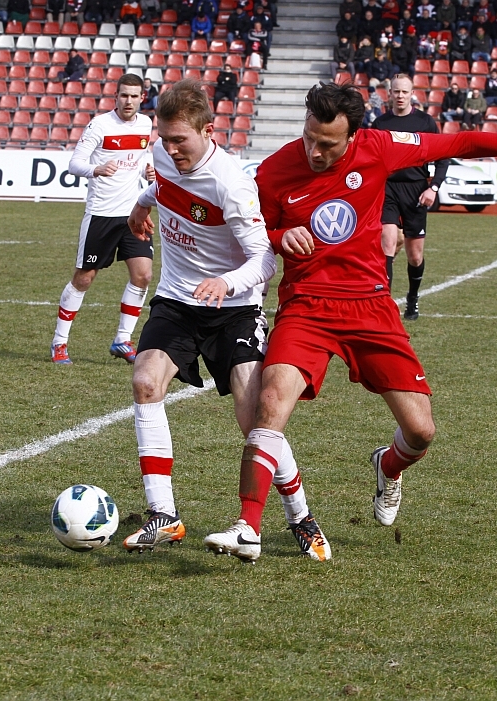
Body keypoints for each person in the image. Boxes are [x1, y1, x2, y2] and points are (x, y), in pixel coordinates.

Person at [200, 81, 497, 562]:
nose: (315, 151)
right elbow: (254, 235)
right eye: (309, 137)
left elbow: (459, 142)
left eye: (328, 144)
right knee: (271, 400)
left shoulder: (380, 146)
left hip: (370, 305)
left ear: (353, 136)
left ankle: (388, 465)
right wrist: (282, 236)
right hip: (307, 305)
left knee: (421, 432)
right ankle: (248, 527)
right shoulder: (276, 170)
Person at [120, 80, 331, 560]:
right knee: (146, 381)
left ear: (208, 131)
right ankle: (163, 515)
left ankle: (300, 516)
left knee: (254, 419)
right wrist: (141, 205)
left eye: (180, 141)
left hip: (233, 309)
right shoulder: (164, 155)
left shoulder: (231, 184)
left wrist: (226, 283)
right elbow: (162, 185)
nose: (171, 149)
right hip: (177, 300)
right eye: (164, 139)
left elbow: (264, 260)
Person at [51, 75, 155, 366]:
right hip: (101, 214)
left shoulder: (146, 124)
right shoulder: (100, 125)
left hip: (133, 213)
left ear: (142, 98)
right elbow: (74, 164)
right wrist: (96, 169)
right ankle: (59, 342)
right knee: (84, 278)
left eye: (134, 96)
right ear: (116, 96)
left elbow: (140, 158)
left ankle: (122, 339)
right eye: (124, 95)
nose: (128, 101)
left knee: (143, 275)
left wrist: (148, 171)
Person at [373, 73, 449, 319]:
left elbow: (443, 157)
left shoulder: (425, 123)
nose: (400, 96)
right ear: (389, 94)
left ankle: (413, 299)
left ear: (412, 94)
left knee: (415, 255)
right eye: (396, 91)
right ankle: (383, 304)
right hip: (388, 189)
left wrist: (433, 188)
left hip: (416, 191)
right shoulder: (380, 124)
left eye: (405, 92)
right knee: (387, 242)